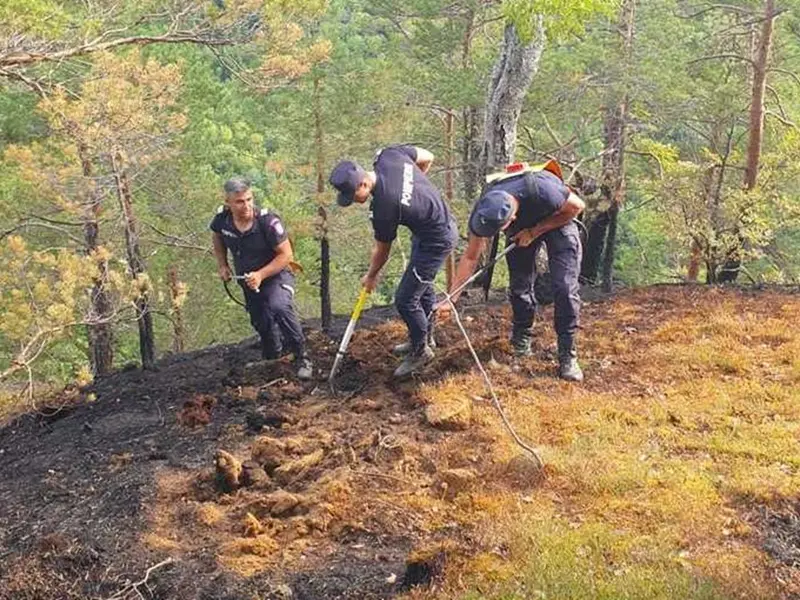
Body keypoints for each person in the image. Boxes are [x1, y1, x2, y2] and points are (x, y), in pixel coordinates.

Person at [437, 164, 585, 381]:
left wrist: (534, 232)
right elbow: (470, 257)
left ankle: (567, 355)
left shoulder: (544, 190)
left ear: (511, 218)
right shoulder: (484, 211)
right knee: (519, 285)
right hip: (523, 229)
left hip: (558, 219)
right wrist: (451, 298)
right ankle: (522, 338)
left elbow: (576, 206)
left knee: (564, 287)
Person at [329, 145, 458, 377]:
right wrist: (414, 191)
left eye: (352, 196)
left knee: (405, 299)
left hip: (438, 239)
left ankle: (421, 351)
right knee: (422, 286)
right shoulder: (387, 156)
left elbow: (382, 250)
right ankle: (424, 336)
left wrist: (371, 275)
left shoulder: (384, 207)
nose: (353, 201)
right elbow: (427, 156)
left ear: (363, 184)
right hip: (429, 227)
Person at [211, 178, 313, 380]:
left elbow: (286, 256)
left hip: (276, 274)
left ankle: (302, 357)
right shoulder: (222, 221)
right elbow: (217, 236)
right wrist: (223, 265)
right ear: (228, 202)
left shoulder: (267, 222)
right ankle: (272, 358)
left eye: (249, 199)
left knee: (279, 307)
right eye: (240, 201)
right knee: (260, 320)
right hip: (248, 279)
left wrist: (261, 275)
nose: (246, 205)